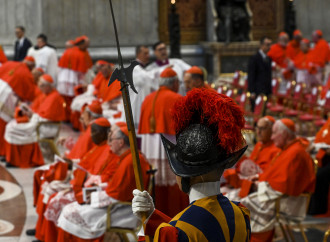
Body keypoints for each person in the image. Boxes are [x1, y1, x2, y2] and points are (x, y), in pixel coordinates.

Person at [132, 88, 250, 241]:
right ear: (221, 166)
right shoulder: (240, 213)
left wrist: (144, 228)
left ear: (182, 174)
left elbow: (181, 232)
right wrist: (151, 217)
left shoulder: (179, 229)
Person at [56, 123, 150, 241]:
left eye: (111, 139)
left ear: (121, 143)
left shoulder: (130, 162)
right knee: (70, 209)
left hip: (122, 211)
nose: (109, 143)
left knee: (69, 212)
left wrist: (93, 196)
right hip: (117, 205)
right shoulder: (127, 158)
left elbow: (117, 194)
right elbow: (117, 187)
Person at [240, 119, 315, 241]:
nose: (272, 138)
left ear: (284, 134)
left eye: (274, 133)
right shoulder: (287, 149)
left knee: (242, 204)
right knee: (238, 199)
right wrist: (260, 179)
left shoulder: (295, 153)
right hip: (277, 197)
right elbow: (275, 175)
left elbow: (284, 186)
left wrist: (258, 185)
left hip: (287, 203)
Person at [139, 67, 189, 217]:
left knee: (155, 181)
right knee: (173, 180)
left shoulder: (147, 99)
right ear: (174, 83)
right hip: (170, 143)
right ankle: (176, 213)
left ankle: (155, 213)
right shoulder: (176, 98)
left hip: (150, 147)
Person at [4, 74, 66, 168]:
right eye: (39, 85)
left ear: (48, 86)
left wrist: (33, 115)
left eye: (41, 85)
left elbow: (47, 116)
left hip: (46, 126)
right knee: (10, 126)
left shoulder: (55, 97)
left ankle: (17, 160)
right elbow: (37, 109)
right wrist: (29, 111)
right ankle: (11, 158)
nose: (39, 87)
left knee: (13, 129)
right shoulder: (45, 94)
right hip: (38, 122)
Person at [223, 116, 280, 197]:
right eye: (258, 127)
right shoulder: (259, 144)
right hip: (248, 179)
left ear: (272, 130)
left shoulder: (276, 149)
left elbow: (267, 174)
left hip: (259, 183)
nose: (258, 132)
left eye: (263, 128)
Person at [0, 56, 36, 157]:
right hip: (7, 97)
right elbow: (29, 95)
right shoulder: (27, 74)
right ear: (31, 66)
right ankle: (2, 150)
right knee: (3, 123)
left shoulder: (10, 63)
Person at [57, 35, 93, 120]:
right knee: (72, 100)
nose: (88, 46)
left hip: (64, 79)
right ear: (81, 44)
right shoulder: (79, 53)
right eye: (87, 44)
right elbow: (81, 71)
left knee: (66, 100)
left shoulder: (70, 51)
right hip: (73, 80)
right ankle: (73, 119)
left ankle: (67, 118)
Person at [129, 45, 153, 128]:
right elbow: (146, 79)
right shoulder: (134, 69)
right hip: (136, 105)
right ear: (138, 54)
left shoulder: (145, 68)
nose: (148, 56)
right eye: (145, 53)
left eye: (148, 53)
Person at [247, 36, 272, 111]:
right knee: (256, 111)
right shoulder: (254, 58)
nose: (269, 47)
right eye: (267, 44)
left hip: (265, 90)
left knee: (263, 112)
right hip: (257, 90)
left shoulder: (268, 59)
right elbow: (251, 75)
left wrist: (270, 91)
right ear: (261, 45)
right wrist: (252, 91)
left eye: (270, 44)